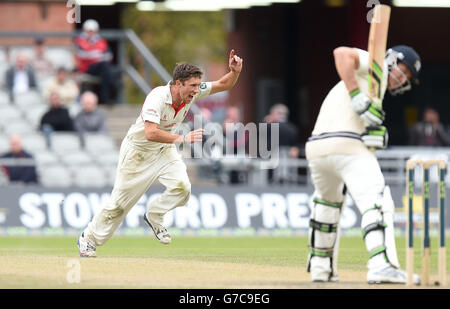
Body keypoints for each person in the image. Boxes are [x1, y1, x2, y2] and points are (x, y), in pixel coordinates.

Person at [77, 49, 243, 257]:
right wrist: (182, 138)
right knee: (118, 205)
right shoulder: (157, 96)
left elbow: (223, 84)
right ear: (178, 84)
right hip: (138, 152)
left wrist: (235, 72)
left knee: (183, 188)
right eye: (191, 86)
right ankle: (88, 238)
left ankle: (154, 215)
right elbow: (150, 133)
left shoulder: (193, 90)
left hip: (164, 149)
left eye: (196, 86)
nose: (195, 91)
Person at [305, 45, 422, 284]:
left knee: (327, 204)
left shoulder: (374, 90)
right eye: (405, 71)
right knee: (377, 199)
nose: (403, 79)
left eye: (408, 78)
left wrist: (376, 135)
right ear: (392, 59)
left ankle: (321, 269)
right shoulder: (375, 63)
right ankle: (382, 265)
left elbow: (360, 123)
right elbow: (340, 53)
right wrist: (357, 96)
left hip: (317, 148)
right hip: (345, 145)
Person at [74, 19, 115, 105]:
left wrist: (93, 55)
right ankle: (106, 98)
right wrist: (97, 55)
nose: (90, 33)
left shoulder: (100, 41)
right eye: (89, 31)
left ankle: (106, 98)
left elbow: (109, 56)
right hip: (86, 69)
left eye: (92, 31)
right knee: (105, 69)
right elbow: (82, 55)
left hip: (99, 68)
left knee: (106, 70)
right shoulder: (80, 40)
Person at [263, 103, 300, 184]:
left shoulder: (269, 127)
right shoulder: (293, 128)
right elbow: (294, 148)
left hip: (271, 167)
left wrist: (266, 122)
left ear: (276, 114)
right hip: (288, 167)